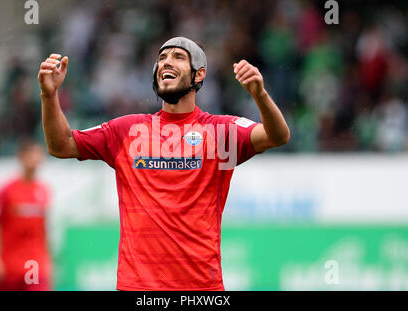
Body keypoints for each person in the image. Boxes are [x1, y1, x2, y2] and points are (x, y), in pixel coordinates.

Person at [38, 37, 290, 290]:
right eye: (162, 58)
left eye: (178, 57)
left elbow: (278, 136)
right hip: (136, 288)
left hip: (201, 289)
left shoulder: (221, 132)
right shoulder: (125, 130)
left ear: (199, 75)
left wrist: (260, 94)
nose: (166, 62)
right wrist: (49, 96)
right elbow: (60, 146)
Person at [0, 141, 52, 291]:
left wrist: (48, 260)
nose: (36, 159)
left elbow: (44, 229)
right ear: (21, 158)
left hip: (34, 264)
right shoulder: (6, 191)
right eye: (31, 154)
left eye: (39, 154)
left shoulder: (44, 191)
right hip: (10, 266)